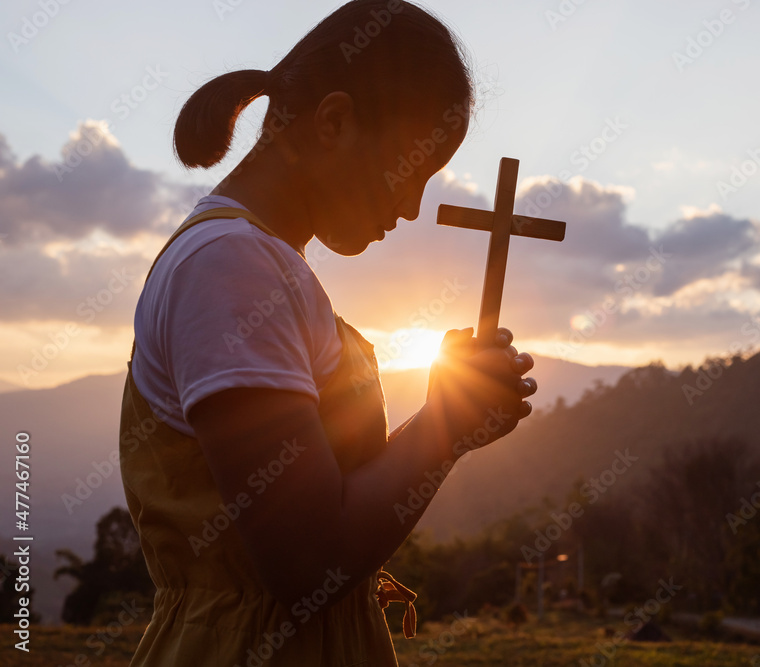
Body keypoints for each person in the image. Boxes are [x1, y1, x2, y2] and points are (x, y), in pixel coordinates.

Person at [118, 2, 537, 665]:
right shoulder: (231, 267)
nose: (411, 206)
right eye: (411, 170)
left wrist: (450, 422)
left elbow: (330, 498)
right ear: (335, 122)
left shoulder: (265, 264)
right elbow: (306, 562)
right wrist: (443, 426)